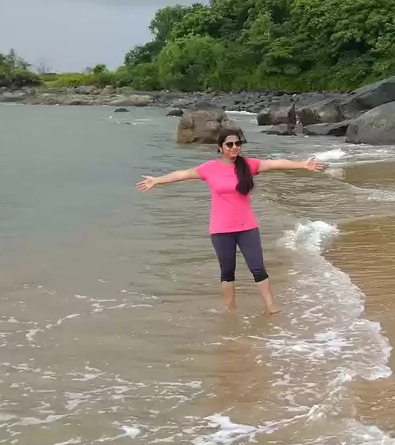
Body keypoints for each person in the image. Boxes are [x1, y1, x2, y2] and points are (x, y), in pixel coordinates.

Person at [135, 129, 326, 314]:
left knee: (258, 268)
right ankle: (230, 309)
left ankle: (270, 306)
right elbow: (182, 174)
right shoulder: (209, 168)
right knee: (227, 271)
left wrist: (302, 165)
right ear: (220, 147)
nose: (235, 147)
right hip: (220, 229)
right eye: (230, 144)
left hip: (247, 227)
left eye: (238, 143)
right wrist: (157, 180)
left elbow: (274, 163)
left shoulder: (247, 165)